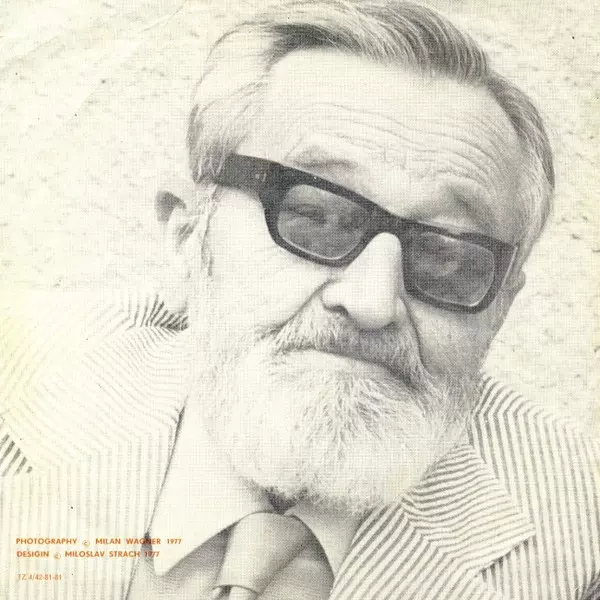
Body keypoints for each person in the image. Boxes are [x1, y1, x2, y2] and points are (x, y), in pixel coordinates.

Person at [1, 1, 599, 599]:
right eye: (314, 217)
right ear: (188, 234)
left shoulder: (580, 537)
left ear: (500, 309)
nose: (371, 302)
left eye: (445, 256)